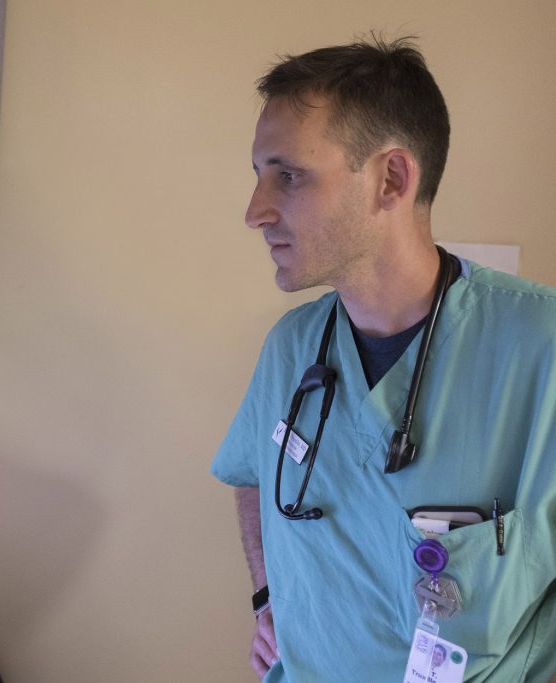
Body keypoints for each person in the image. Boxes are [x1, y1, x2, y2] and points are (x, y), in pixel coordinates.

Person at [211, 36, 556, 682]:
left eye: (287, 175)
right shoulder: (291, 348)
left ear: (392, 179)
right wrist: (266, 596)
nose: (256, 211)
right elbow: (249, 471)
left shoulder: (542, 349)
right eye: (259, 174)